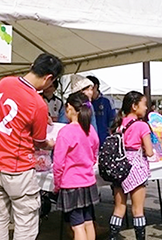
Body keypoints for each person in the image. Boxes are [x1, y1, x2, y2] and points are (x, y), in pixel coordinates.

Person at [0, 53, 63, 240]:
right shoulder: (38, 104)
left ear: (32, 64)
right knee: (25, 222)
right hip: (17, 168)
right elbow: (39, 142)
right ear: (49, 78)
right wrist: (50, 144)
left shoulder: (5, 83)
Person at [53, 92, 100, 240]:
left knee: (77, 225)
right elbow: (94, 156)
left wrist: (57, 184)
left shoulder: (65, 132)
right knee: (88, 221)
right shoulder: (90, 130)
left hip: (71, 184)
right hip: (88, 182)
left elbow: (58, 163)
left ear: (69, 108)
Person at [109, 91, 154, 240]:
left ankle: (113, 236)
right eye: (144, 104)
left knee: (119, 208)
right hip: (135, 169)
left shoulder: (118, 124)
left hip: (119, 168)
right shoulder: (142, 126)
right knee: (138, 210)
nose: (146, 108)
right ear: (135, 106)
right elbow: (149, 152)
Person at [86, 75, 116, 146]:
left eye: (89, 89)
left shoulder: (106, 101)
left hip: (103, 140)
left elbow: (112, 121)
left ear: (95, 87)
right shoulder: (84, 103)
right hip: (88, 141)